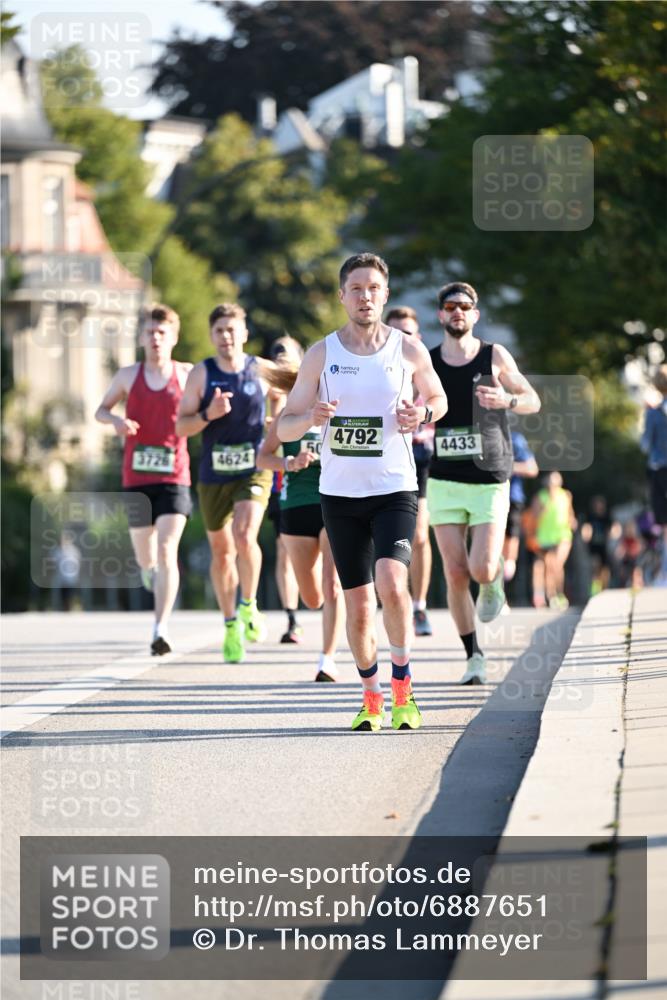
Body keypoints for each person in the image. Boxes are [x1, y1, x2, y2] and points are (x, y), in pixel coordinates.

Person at [277, 252, 447, 732]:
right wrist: (309, 418)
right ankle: (371, 697)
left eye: (373, 288)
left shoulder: (408, 349)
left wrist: (424, 415)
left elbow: (438, 397)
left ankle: (403, 689)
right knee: (356, 605)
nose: (365, 296)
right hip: (340, 495)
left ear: (385, 294)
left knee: (393, 585)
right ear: (342, 296)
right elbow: (285, 426)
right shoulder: (321, 354)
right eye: (356, 288)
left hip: (394, 487)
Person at [427, 281, 541, 685]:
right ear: (441, 315)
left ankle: (493, 584)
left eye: (465, 306)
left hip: (490, 475)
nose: (457, 312)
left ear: (475, 315)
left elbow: (532, 399)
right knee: (455, 572)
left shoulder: (494, 356)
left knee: (481, 566)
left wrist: (507, 401)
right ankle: (473, 655)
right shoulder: (428, 361)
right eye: (450, 306)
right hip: (443, 478)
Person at [176, 303, 276, 663]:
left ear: (244, 334)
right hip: (214, 473)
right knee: (222, 553)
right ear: (211, 335)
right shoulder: (201, 375)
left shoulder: (260, 370)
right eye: (219, 330)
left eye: (232, 329)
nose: (226, 337)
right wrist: (208, 414)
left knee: (245, 534)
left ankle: (249, 604)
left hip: (254, 466)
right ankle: (231, 624)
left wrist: (276, 423)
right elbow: (181, 426)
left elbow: (287, 400)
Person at [95, 303, 192, 654]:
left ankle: (160, 627)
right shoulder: (127, 376)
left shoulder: (186, 375)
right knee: (145, 557)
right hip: (136, 478)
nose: (155, 339)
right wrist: (116, 422)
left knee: (167, 548)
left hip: (175, 477)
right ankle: (149, 572)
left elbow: (206, 410)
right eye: (149, 332)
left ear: (173, 338)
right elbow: (100, 410)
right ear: (140, 337)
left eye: (161, 333)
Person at [257, 395, 344, 682]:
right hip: (295, 507)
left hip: (335, 503)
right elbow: (263, 457)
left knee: (331, 586)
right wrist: (291, 462)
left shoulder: (347, 408)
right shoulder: (290, 414)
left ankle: (327, 659)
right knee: (312, 597)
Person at [385, 305, 435, 637]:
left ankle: (418, 605)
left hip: (420, 452)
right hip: (384, 452)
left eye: (409, 331)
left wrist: (424, 414)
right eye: (397, 331)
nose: (404, 337)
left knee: (418, 534)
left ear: (417, 336)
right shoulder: (376, 362)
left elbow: (442, 402)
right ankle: (390, 596)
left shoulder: (423, 363)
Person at [267, 337, 306, 643]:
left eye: (288, 352)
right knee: (283, 551)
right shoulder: (267, 392)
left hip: (318, 486)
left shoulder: (307, 390)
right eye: (277, 353)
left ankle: (321, 600)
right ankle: (292, 618)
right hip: (280, 483)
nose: (282, 358)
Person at [531, 471, 576, 609]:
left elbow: (570, 515)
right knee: (549, 567)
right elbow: (536, 517)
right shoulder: (540, 497)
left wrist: (573, 522)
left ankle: (559, 593)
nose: (553, 486)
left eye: (556, 483)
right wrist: (548, 502)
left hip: (563, 535)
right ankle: (552, 595)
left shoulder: (566, 495)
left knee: (557, 564)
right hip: (545, 538)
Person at [503, 430, 539, 597]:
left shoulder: (515, 438)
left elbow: (532, 468)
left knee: (509, 555)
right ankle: (492, 591)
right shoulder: (477, 435)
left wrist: (507, 466)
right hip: (482, 499)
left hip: (512, 498)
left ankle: (502, 592)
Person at [641, 365, 667, 585]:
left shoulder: (653, 413)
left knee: (665, 524)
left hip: (660, 470)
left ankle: (666, 573)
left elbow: (645, 444)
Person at [580, 495, 614, 595]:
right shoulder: (590, 517)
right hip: (593, 547)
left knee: (605, 570)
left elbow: (613, 528)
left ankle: (604, 589)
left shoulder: (607, 516)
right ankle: (595, 591)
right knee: (595, 567)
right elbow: (586, 529)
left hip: (605, 547)